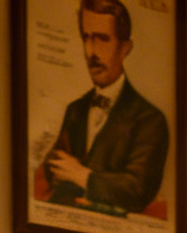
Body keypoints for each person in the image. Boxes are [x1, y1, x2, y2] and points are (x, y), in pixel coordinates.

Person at [41, 0, 170, 217]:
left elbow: (137, 190)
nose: (91, 52)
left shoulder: (151, 120)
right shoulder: (76, 110)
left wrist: (82, 175)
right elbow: (53, 170)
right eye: (86, 38)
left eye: (102, 39)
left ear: (125, 48)